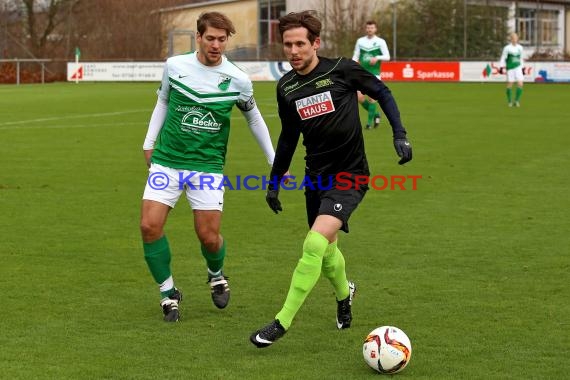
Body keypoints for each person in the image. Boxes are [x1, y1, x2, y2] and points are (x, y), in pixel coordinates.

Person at [250, 11, 412, 348]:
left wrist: (399, 134)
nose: (293, 51)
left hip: (350, 175)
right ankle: (344, 295)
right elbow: (288, 138)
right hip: (316, 178)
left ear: (315, 44)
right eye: (287, 45)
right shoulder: (287, 87)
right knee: (326, 252)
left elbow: (382, 92)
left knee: (313, 243)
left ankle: (281, 322)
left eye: (300, 44)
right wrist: (274, 182)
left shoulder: (341, 69)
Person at [140, 11, 275, 322]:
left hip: (207, 167)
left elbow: (253, 117)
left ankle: (216, 274)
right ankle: (168, 293)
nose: (216, 44)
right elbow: (163, 100)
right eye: (210, 38)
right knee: (149, 226)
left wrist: (273, 159)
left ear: (227, 40)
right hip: (168, 160)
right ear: (198, 37)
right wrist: (149, 143)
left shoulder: (238, 79)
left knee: (209, 236)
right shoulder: (175, 66)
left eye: (222, 39)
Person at [352, 20, 391, 129]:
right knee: (359, 97)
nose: (370, 30)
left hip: (374, 73)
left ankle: (369, 124)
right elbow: (356, 56)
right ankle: (376, 114)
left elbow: (387, 56)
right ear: (366, 29)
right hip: (361, 73)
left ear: (375, 29)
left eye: (372, 28)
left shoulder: (380, 42)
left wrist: (377, 57)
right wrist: (352, 65)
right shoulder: (360, 41)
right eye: (368, 28)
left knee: (372, 98)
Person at [499, 32, 525, 107]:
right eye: (513, 38)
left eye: (516, 38)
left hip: (518, 67)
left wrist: (523, 68)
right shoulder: (507, 48)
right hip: (510, 68)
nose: (514, 39)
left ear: (517, 39)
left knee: (520, 84)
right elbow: (503, 57)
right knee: (510, 84)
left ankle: (516, 101)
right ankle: (510, 101)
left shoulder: (520, 47)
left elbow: (521, 58)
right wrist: (501, 67)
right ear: (511, 39)